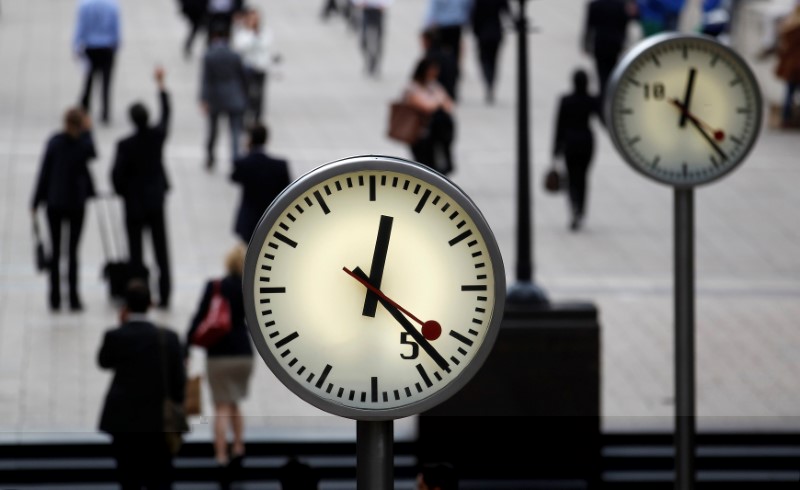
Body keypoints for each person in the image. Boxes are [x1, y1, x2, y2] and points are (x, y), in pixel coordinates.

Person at [98, 279, 186, 490]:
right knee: (160, 481)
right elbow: (179, 383)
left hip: (123, 423)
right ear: (151, 304)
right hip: (158, 423)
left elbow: (103, 362)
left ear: (125, 307)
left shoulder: (115, 336)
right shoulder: (169, 338)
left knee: (128, 480)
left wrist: (122, 326)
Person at [186, 245, 254, 467]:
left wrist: (186, 345)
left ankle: (221, 454)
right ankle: (239, 446)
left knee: (221, 406)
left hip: (218, 354)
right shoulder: (248, 288)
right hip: (243, 353)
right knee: (235, 402)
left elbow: (199, 317)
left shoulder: (215, 286)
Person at [111, 67, 173, 308]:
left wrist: (123, 192)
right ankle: (165, 295)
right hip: (155, 200)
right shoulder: (156, 137)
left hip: (133, 204)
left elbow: (116, 175)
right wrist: (161, 87)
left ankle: (139, 294)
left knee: (136, 254)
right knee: (161, 251)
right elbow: (167, 115)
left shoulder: (124, 145)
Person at [31, 108, 96, 311]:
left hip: (55, 203)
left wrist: (35, 201)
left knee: (57, 251)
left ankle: (55, 298)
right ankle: (74, 298)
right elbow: (93, 152)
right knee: (72, 253)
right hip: (75, 204)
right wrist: (89, 131)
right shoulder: (82, 144)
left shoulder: (55, 142)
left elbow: (44, 172)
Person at [552, 69, 601, 232]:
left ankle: (573, 207)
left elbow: (558, 126)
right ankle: (581, 209)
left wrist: (555, 149)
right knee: (583, 178)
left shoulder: (566, 100)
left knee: (572, 177)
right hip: (586, 141)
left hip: (570, 142)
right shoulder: (590, 100)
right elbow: (602, 116)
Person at [231, 124, 291, 243]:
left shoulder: (243, 164)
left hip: (248, 218)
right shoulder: (279, 165)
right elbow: (287, 187)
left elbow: (234, 177)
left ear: (250, 140)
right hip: (270, 216)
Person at [201, 23, 248, 170]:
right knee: (235, 131)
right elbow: (243, 77)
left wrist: (204, 99)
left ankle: (210, 157)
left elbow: (205, 79)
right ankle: (235, 160)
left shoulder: (209, 55)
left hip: (215, 98)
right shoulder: (235, 55)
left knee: (213, 130)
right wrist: (244, 96)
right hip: (234, 96)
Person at [404, 57, 456, 176]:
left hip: (435, 133)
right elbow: (426, 106)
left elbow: (448, 105)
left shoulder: (434, 85)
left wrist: (437, 101)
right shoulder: (412, 87)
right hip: (418, 133)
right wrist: (438, 102)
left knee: (437, 163)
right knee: (423, 164)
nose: (435, 73)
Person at [74, 0, 121, 125]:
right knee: (106, 82)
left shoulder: (84, 4)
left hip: (90, 46)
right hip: (107, 47)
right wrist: (116, 44)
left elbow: (81, 26)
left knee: (89, 80)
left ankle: (84, 110)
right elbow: (115, 26)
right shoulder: (112, 4)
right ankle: (105, 112)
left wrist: (76, 44)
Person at [232, 8, 279, 125]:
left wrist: (256, 39)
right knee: (246, 93)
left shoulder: (264, 31)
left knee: (260, 94)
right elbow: (241, 46)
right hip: (247, 67)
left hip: (261, 66)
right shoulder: (242, 32)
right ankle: (244, 116)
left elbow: (266, 44)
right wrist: (254, 39)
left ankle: (258, 117)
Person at [583, 0, 636, 101]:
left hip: (600, 44)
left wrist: (586, 45)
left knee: (601, 73)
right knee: (612, 71)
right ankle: (610, 95)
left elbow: (589, 27)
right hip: (615, 45)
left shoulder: (595, 6)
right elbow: (625, 24)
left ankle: (604, 95)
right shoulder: (621, 6)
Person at [423, 0, 473, 100]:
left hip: (443, 26)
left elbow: (432, 9)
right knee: (452, 59)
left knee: (440, 59)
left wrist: (427, 24)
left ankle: (444, 88)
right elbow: (468, 7)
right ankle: (449, 88)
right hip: (454, 25)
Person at [470, 0, 511, 104]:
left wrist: (474, 30)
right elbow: (507, 11)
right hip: (495, 32)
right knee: (493, 61)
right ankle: (491, 83)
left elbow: (473, 15)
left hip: (483, 33)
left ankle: (489, 82)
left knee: (484, 60)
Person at [775, 1, 800, 127]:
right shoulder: (795, 26)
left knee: (789, 93)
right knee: (791, 93)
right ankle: (787, 118)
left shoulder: (789, 24)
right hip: (796, 65)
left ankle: (786, 118)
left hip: (791, 65)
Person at [353, 0, 393, 77]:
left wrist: (385, 4)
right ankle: (369, 59)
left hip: (378, 10)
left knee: (378, 38)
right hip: (366, 10)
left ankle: (375, 62)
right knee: (363, 41)